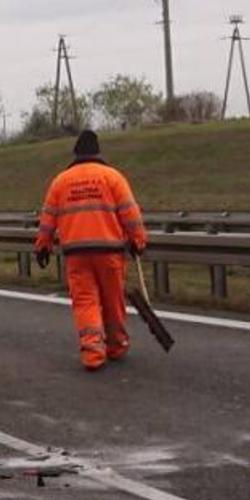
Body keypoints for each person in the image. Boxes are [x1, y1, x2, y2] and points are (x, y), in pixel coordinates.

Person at [33, 130, 150, 371]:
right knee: (113, 299)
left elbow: (48, 219)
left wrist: (43, 246)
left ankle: (93, 352)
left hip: (76, 253)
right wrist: (138, 240)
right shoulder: (113, 177)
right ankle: (117, 346)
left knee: (85, 301)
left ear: (76, 153)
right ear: (98, 152)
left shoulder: (61, 181)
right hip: (109, 251)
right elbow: (130, 213)